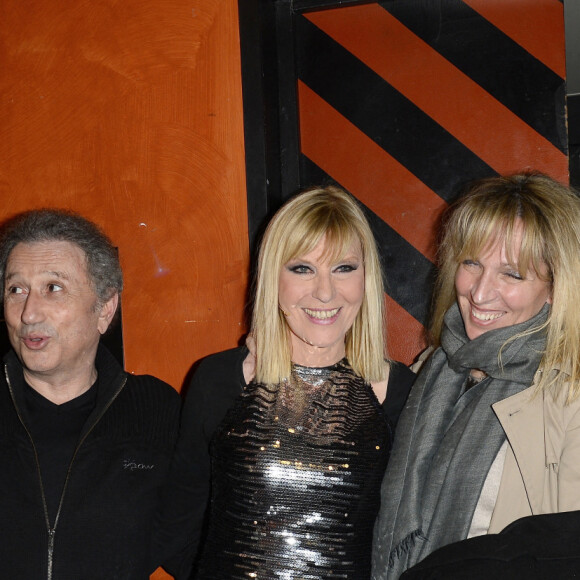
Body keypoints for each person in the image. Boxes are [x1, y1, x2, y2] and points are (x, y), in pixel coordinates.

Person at [154, 185, 415, 579]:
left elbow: (410, 540)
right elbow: (178, 523)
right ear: (273, 278)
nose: (325, 292)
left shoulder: (402, 392)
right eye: (302, 268)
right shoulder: (218, 380)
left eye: (344, 268)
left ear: (367, 278)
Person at [372, 172, 580, 579]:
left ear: (558, 286)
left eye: (512, 274)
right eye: (472, 263)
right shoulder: (432, 368)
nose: (480, 293)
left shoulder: (569, 399)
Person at [0, 208, 181, 579]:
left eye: (53, 288)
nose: (29, 313)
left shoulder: (154, 410)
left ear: (105, 308)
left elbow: (195, 545)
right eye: (16, 289)